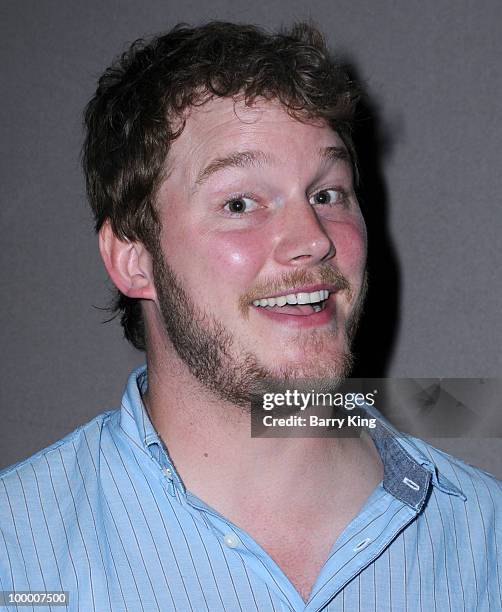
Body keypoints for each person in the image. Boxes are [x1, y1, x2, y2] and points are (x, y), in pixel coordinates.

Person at [0, 21, 500, 612]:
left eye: (327, 194)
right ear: (133, 258)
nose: (312, 240)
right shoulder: (19, 552)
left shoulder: (484, 540)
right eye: (240, 203)